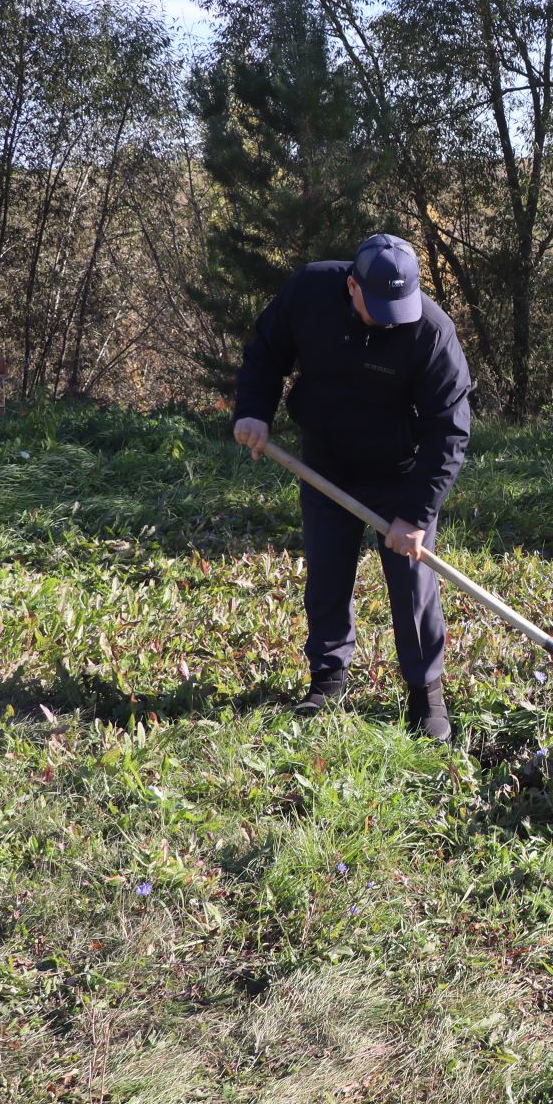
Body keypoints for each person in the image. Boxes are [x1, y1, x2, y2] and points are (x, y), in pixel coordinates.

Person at [231, 233, 473, 741]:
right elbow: (266, 350)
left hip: (401, 471)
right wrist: (254, 409)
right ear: (352, 286)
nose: (390, 318)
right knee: (327, 572)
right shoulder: (310, 292)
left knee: (413, 584)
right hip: (328, 460)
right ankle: (328, 680)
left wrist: (416, 513)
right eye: (379, 306)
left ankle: (426, 695)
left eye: (399, 307)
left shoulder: (430, 331)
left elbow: (449, 430)